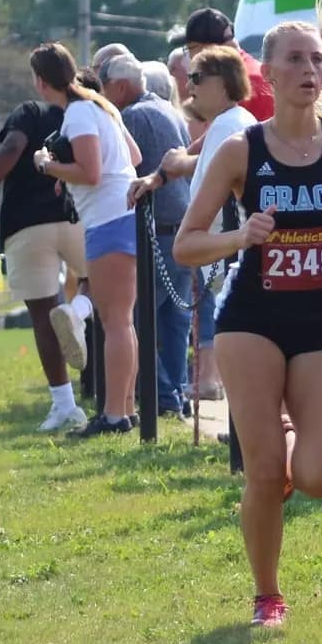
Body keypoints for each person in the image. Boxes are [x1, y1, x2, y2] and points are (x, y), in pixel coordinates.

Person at [172, 18, 322, 630]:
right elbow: (188, 244)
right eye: (296, 60)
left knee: (319, 477)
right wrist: (241, 235)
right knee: (265, 473)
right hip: (251, 321)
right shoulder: (243, 150)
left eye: (317, 60)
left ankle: (283, 432)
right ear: (270, 71)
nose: (310, 72)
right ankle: (267, 594)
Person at [0, 45, 94, 433]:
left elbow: (13, 146)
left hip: (26, 224)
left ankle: (63, 404)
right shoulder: (85, 112)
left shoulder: (28, 111)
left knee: (43, 315)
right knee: (106, 287)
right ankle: (80, 314)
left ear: (39, 80)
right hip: (75, 217)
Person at [34, 51, 144, 437]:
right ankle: (124, 409)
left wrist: (48, 165)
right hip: (122, 216)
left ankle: (113, 416)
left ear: (41, 81)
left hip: (108, 219)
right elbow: (133, 156)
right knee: (122, 321)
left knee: (114, 322)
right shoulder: (101, 107)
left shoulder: (78, 113)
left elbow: (91, 173)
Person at [164, 47, 261, 401]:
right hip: (232, 249)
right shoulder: (235, 121)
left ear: (224, 83)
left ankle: (244, 431)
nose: (189, 86)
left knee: (236, 342)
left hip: (229, 251)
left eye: (197, 77)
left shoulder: (227, 127)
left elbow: (212, 195)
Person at [108, 54, 198, 417]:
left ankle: (163, 396)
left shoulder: (131, 116)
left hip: (155, 229)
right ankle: (175, 392)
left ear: (123, 86)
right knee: (175, 321)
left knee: (137, 317)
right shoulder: (171, 110)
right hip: (182, 224)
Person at [185, 8, 275, 120]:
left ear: (209, 48)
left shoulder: (240, 81)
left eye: (191, 48)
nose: (189, 56)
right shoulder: (246, 72)